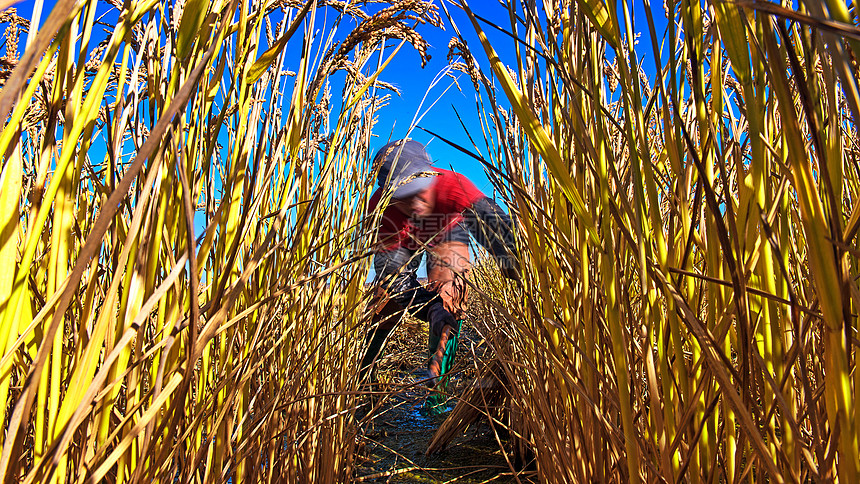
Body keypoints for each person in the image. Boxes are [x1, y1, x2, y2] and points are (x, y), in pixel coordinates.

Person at [360, 139, 518, 412]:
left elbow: (501, 234)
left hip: (447, 230)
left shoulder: (452, 185)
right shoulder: (381, 210)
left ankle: (437, 395)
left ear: (428, 175)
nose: (416, 203)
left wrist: (513, 264)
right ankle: (365, 383)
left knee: (450, 298)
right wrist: (425, 306)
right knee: (384, 302)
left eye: (419, 191)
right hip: (402, 241)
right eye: (403, 195)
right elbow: (393, 278)